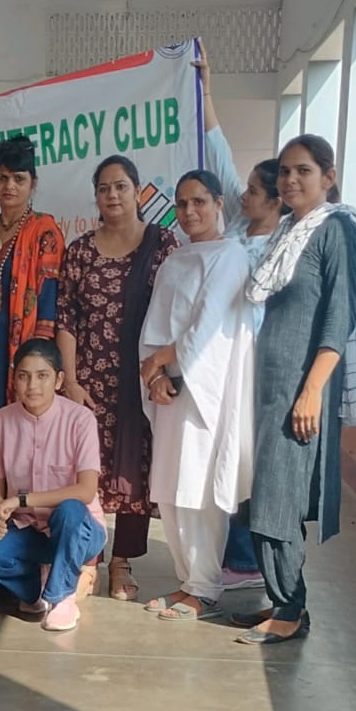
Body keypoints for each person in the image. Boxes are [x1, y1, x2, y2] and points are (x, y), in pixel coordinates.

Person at [234, 135, 356, 643]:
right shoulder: (287, 232)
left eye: (303, 170)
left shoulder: (335, 231)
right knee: (269, 498)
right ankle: (284, 604)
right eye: (283, 172)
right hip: (270, 388)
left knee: (278, 499)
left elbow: (337, 320)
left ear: (329, 176)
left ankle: (289, 609)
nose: (291, 180)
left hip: (298, 392)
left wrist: (312, 390)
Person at [56, 155, 178, 601]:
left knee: (134, 470)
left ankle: (122, 561)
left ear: (137, 191)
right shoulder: (81, 251)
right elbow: (65, 318)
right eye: (104, 188)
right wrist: (69, 379)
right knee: (89, 465)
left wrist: (163, 368)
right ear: (96, 195)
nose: (112, 196)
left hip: (141, 378)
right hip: (89, 377)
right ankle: (89, 555)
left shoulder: (162, 245)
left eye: (121, 187)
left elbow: (180, 310)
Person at [138, 170, 255, 621]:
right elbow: (153, 327)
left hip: (205, 392)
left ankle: (205, 586)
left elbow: (205, 330)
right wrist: (153, 376)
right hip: (169, 392)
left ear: (219, 203)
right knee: (169, 489)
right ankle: (187, 581)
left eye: (199, 202)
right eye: (182, 204)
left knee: (198, 489)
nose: (190, 212)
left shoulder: (230, 256)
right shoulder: (175, 260)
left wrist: (162, 364)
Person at [192, 37, 286, 591]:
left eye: (253, 190)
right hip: (214, 361)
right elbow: (217, 148)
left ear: (276, 200)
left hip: (255, 366)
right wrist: (203, 87)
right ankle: (227, 552)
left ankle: (247, 561)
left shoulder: (286, 247)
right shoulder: (233, 225)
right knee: (218, 453)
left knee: (248, 458)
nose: (242, 193)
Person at [0, 339, 108, 633]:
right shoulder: (0, 421)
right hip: (28, 531)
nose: (32, 385)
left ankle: (62, 597)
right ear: (14, 379)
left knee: (69, 509)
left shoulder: (80, 419)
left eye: (42, 375)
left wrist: (21, 500)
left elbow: (86, 491)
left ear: (58, 380)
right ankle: (35, 591)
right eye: (23, 375)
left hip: (78, 531)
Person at [0, 136, 65, 405]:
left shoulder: (44, 230)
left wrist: (37, 355)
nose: (9, 186)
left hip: (24, 345)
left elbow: (49, 298)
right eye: (2, 178)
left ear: (32, 184)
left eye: (18, 178)